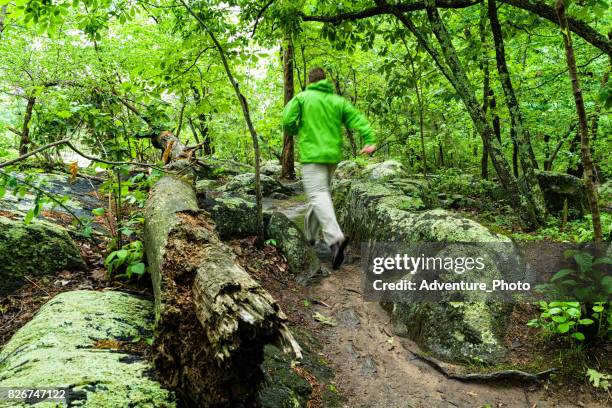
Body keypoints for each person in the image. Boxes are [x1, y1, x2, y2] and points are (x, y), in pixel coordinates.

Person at [282, 67, 376, 269]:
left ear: (310, 81)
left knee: (317, 195)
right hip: (332, 157)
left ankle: (335, 239)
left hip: (312, 155)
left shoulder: (303, 98)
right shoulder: (337, 101)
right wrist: (369, 140)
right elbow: (358, 119)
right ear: (325, 81)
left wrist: (296, 130)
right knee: (320, 195)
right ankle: (310, 236)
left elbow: (287, 120)